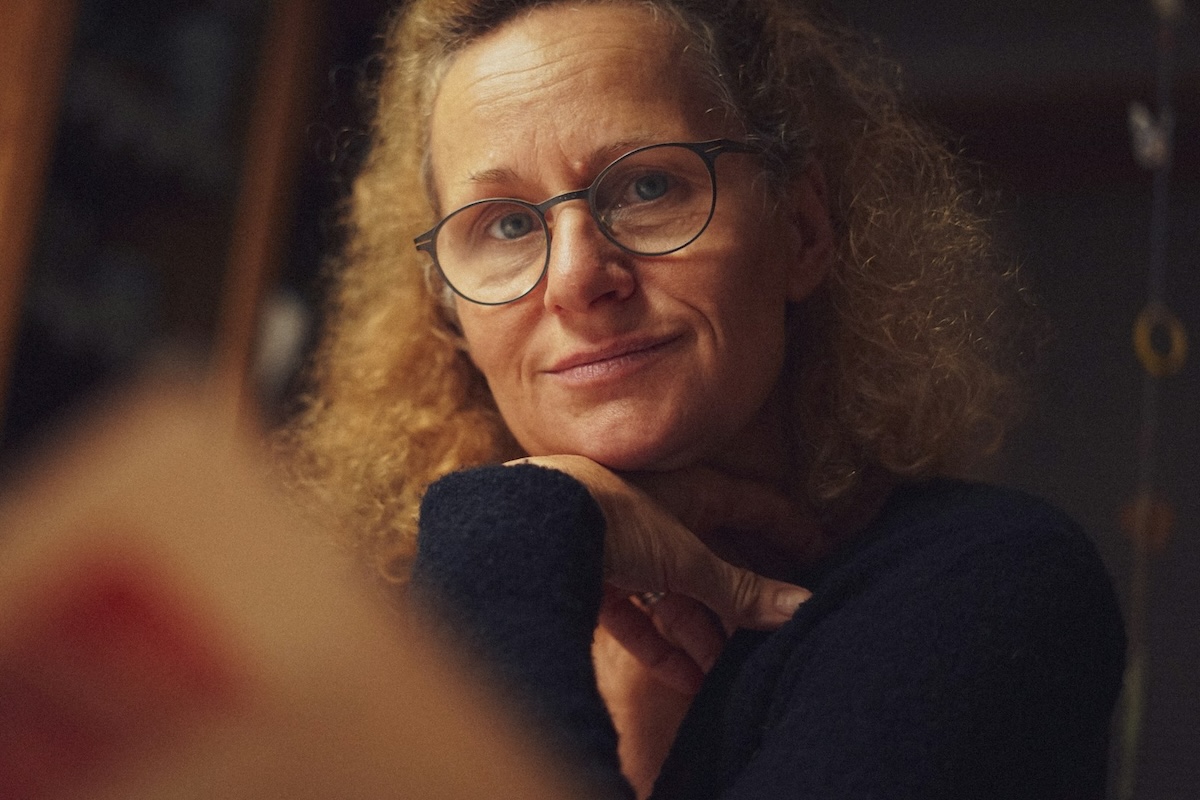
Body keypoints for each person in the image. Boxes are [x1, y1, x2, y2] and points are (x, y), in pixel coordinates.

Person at [278, 0, 1127, 797]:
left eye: (647, 187)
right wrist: (537, 534)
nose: (578, 279)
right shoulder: (394, 633)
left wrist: (521, 515)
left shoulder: (988, 589)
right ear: (448, 313)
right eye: (504, 225)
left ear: (800, 230)